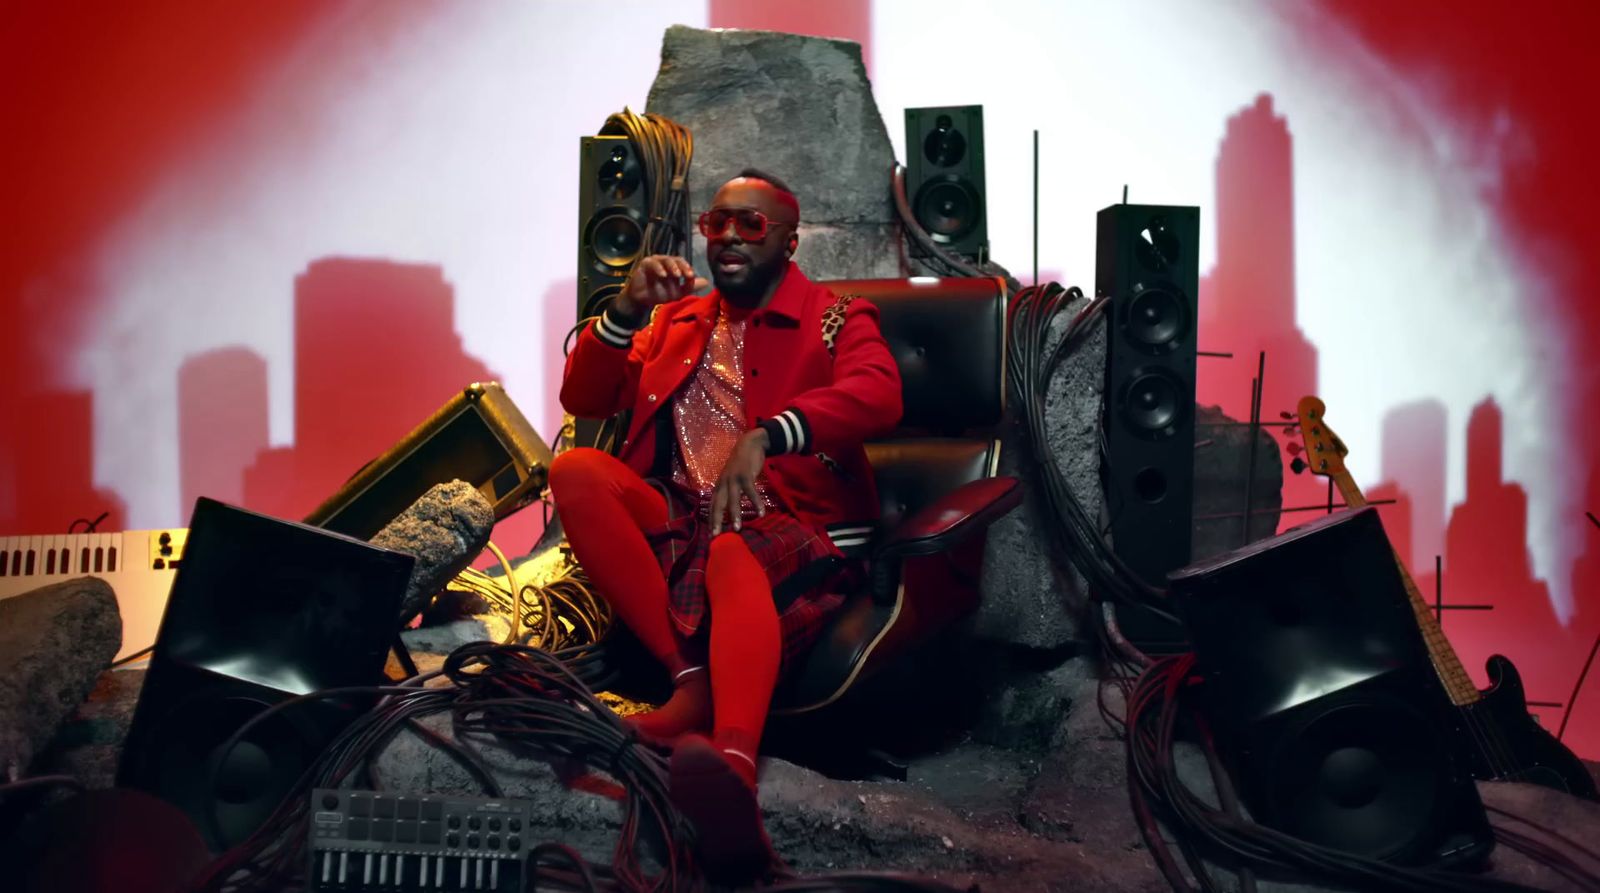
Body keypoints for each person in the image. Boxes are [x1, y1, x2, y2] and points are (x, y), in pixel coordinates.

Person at [550, 169, 903, 879]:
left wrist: (772, 434)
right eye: (718, 224)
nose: (731, 238)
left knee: (734, 548)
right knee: (576, 473)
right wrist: (622, 311)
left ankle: (735, 770)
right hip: (685, 514)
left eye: (752, 225)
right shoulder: (678, 322)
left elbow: (879, 393)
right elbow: (583, 394)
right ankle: (691, 684)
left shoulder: (837, 315)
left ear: (790, 241)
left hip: (790, 521)